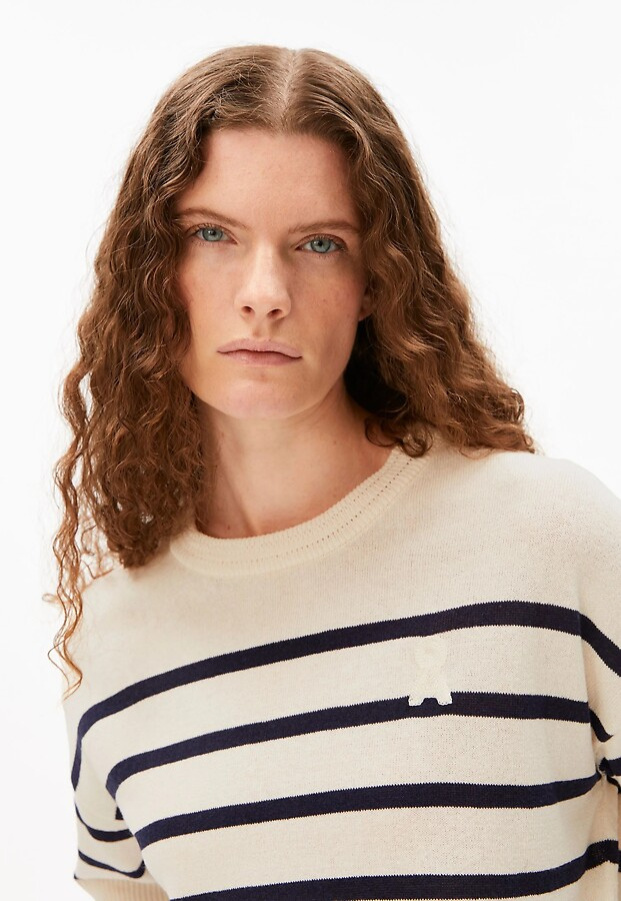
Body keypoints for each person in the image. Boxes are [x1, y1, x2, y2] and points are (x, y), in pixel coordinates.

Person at [46, 44, 621, 901]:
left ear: (374, 279)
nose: (264, 292)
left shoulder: (548, 538)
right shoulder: (111, 641)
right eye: (212, 235)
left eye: (318, 243)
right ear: (152, 270)